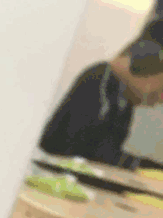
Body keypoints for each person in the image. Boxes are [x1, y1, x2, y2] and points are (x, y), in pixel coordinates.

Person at [39, 30, 163, 168]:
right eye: (159, 88)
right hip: (56, 168)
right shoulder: (100, 80)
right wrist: (140, 165)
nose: (159, 99)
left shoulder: (124, 98)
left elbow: (108, 152)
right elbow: (87, 150)